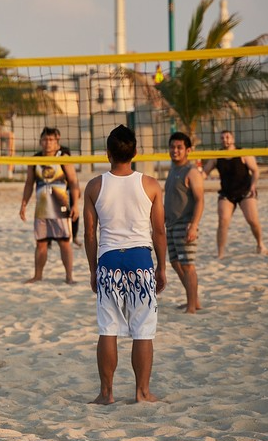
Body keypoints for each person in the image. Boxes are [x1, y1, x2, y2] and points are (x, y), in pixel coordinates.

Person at [83, 124, 167, 405]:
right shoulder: (151, 184)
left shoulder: (95, 185)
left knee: (108, 328)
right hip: (140, 260)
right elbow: (159, 232)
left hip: (108, 260)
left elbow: (89, 233)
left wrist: (93, 270)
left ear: (108, 153)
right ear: (135, 152)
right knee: (142, 330)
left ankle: (106, 394)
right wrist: (162, 267)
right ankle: (142, 392)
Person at [19, 127, 80, 284]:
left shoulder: (63, 157)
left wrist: (76, 205)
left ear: (57, 142)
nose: (48, 143)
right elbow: (29, 184)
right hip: (42, 209)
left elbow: (73, 182)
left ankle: (69, 277)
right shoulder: (35, 159)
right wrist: (24, 204)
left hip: (61, 207)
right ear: (40, 141)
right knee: (41, 244)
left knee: (65, 243)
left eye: (51, 140)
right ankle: (38, 275)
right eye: (45, 140)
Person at [202, 130, 268, 259]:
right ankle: (220, 253)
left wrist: (253, 185)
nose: (225, 139)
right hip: (227, 193)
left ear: (233, 138)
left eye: (227, 137)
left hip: (245, 191)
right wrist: (196, 181)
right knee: (223, 221)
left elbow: (255, 171)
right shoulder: (216, 156)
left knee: (252, 220)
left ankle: (260, 244)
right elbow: (204, 173)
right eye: (222, 138)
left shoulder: (242, 153)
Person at [164, 132, 204, 314]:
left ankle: (192, 307)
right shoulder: (172, 170)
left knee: (188, 265)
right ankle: (193, 300)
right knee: (175, 262)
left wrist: (194, 225)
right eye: (172, 146)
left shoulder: (192, 171)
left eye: (179, 147)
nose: (175, 150)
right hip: (171, 224)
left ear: (188, 150)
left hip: (185, 224)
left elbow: (200, 200)